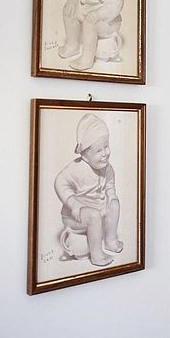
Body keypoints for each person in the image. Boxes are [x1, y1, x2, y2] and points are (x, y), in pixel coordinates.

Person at [54, 113, 122, 267]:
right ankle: (97, 255)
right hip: (75, 215)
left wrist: (111, 195)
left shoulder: (107, 168)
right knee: (93, 216)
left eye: (106, 146)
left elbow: (110, 184)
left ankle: (111, 240)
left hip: (97, 210)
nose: (105, 153)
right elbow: (60, 182)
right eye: (99, 150)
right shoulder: (77, 169)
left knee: (114, 204)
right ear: (85, 155)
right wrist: (73, 204)